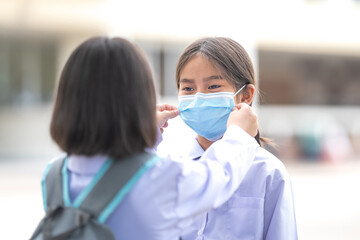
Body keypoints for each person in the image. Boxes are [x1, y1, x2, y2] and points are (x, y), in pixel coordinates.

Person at [45, 36, 260, 240]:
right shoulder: (160, 178)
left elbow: (117, 173)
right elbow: (217, 177)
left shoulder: (54, 175)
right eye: (187, 88)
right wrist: (239, 134)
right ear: (138, 99)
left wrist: (143, 137)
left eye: (213, 87)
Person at [163, 37, 297, 239]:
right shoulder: (170, 166)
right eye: (188, 89)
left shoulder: (267, 172)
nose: (199, 97)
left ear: (245, 96)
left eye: (213, 86)